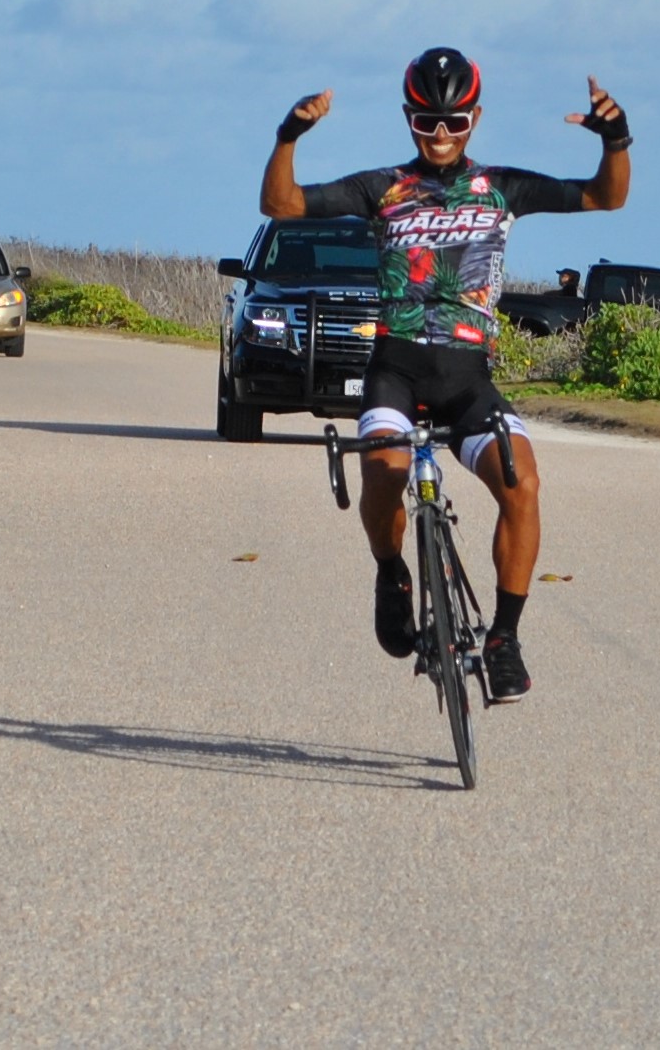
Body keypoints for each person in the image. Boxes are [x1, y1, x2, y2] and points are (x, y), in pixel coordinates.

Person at [260, 47, 631, 702]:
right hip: (395, 371)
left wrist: (615, 138)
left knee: (523, 484)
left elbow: (607, 195)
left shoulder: (502, 188)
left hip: (466, 381)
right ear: (408, 118)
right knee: (383, 471)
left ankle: (504, 638)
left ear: (475, 118)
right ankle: (390, 574)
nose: (439, 134)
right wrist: (289, 135)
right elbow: (282, 205)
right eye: (426, 121)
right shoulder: (382, 188)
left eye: (454, 122)